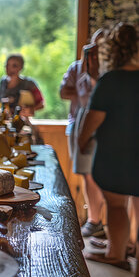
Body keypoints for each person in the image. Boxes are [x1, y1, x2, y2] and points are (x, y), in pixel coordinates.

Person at [78, 24, 139, 277]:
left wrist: (84, 142)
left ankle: (117, 254)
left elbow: (90, 126)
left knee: (116, 206)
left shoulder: (110, 81)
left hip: (115, 159)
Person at [60, 30, 107, 238]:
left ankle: (96, 220)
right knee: (86, 174)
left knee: (98, 174)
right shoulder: (77, 67)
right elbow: (63, 92)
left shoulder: (110, 70)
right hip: (80, 121)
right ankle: (94, 219)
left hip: (103, 125)